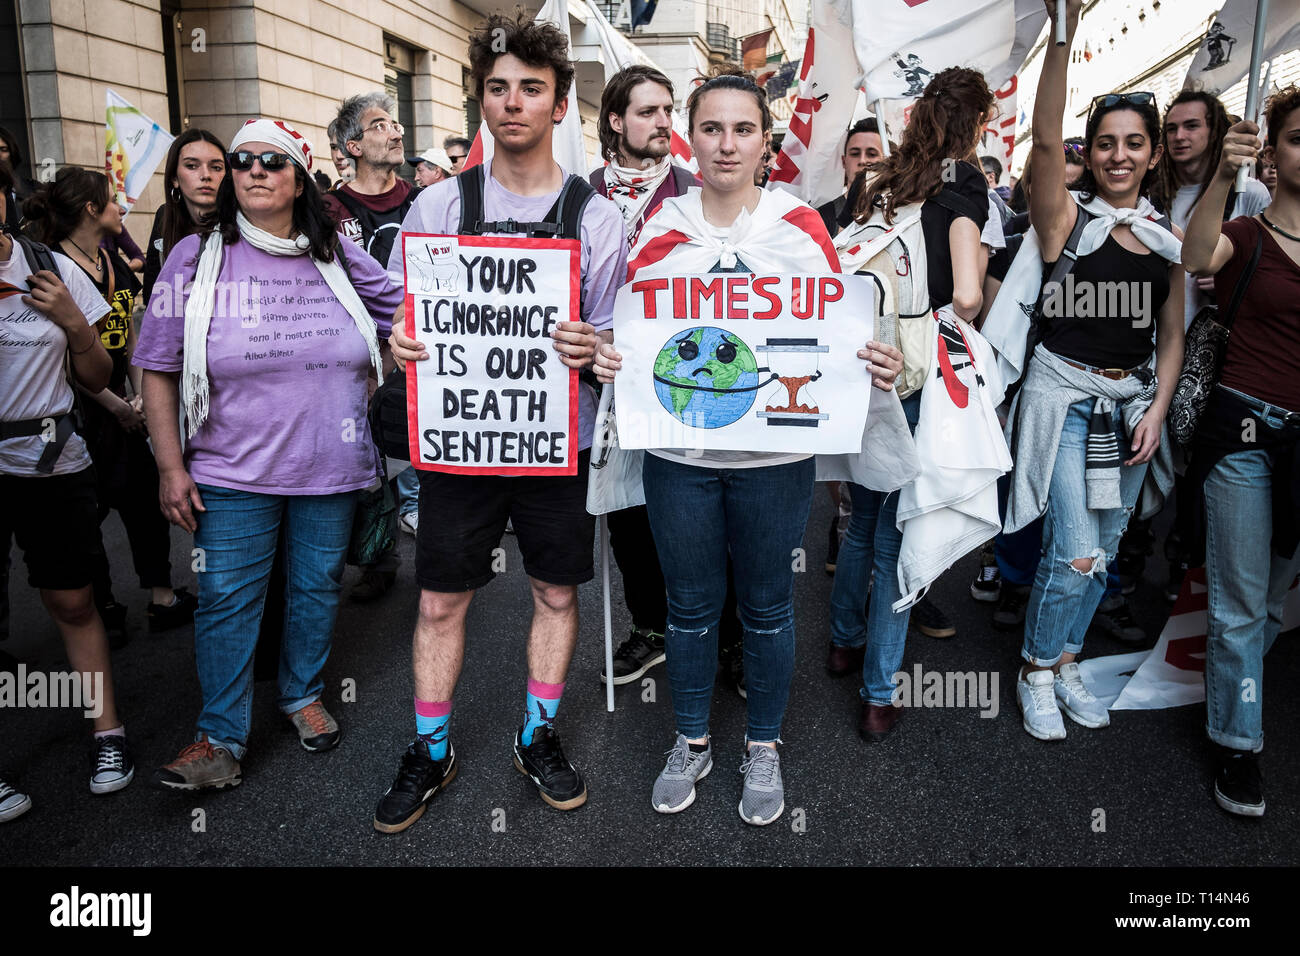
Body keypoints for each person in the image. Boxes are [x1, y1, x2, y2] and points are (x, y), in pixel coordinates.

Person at [596, 67, 904, 824]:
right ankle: (692, 739)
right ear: (689, 137)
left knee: (767, 611)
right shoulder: (660, 229)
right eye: (711, 127)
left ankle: (762, 746)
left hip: (774, 463)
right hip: (680, 459)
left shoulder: (801, 227)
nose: (726, 144)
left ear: (765, 142)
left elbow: (840, 334)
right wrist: (608, 356)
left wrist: (881, 358)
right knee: (691, 610)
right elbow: (630, 335)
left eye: (742, 129)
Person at [375, 14, 626, 833]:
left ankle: (537, 731)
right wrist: (401, 344)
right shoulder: (438, 205)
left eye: (531, 89)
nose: (512, 102)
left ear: (560, 106)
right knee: (442, 600)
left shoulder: (597, 218)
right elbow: (402, 327)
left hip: (557, 440)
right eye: (497, 89)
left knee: (555, 590)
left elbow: (613, 338)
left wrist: (596, 346)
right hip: (460, 439)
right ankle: (430, 746)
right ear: (479, 99)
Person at [134, 118, 401, 790]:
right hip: (230, 471)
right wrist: (170, 466)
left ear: (299, 178)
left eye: (271, 161)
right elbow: (157, 367)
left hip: (330, 465)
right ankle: (219, 736)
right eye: (240, 160)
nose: (252, 170)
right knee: (227, 597)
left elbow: (409, 308)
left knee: (314, 588)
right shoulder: (193, 258)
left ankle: (301, 695)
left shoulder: (335, 249)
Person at [1005, 0, 1184, 741]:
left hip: (1131, 408)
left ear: (1151, 155)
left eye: (1133, 143)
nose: (1117, 155)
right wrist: (1066, 32)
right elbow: (1047, 141)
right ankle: (1037, 668)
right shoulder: (1065, 220)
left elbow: (1171, 335)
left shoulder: (1165, 238)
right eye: (1105, 143)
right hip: (1065, 399)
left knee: (1106, 553)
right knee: (1075, 551)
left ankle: (1073, 656)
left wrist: (1156, 407)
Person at [825, 67, 993, 744]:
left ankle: (841, 642)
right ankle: (877, 690)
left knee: (863, 520)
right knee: (895, 534)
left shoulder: (881, 179)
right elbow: (972, 295)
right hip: (917, 373)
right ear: (976, 124)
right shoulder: (965, 184)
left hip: (863, 365)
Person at [589, 63, 734, 689]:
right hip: (607, 374)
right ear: (616, 120)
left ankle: (724, 638)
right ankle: (650, 627)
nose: (663, 123)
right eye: (648, 112)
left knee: (701, 509)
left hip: (684, 371)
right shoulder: (582, 193)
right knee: (626, 507)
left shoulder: (691, 191)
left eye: (669, 111)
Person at [1181, 86, 1300, 817]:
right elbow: (1196, 252)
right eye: (1297, 137)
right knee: (1240, 602)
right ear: (1275, 153)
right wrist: (1223, 173)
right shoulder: (1248, 235)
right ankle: (1238, 742)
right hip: (1245, 435)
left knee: (1271, 603)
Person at [2, 188, 135, 803]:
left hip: (51, 464)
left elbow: (98, 375)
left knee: (73, 600)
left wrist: (75, 321)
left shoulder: (46, 267)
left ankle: (107, 731)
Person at [23, 168, 195, 641]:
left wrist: (139, 392)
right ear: (91, 210)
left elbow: (129, 332)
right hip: (77, 409)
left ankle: (161, 594)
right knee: (86, 514)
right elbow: (55, 351)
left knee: (144, 498)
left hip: (123, 401)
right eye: (113, 200)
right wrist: (113, 403)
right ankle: (102, 606)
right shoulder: (52, 266)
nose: (122, 207)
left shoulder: (110, 257)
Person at [323, 92, 420, 599]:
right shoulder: (327, 210)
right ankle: (375, 558)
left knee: (421, 451)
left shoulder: (428, 200)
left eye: (397, 123)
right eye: (381, 125)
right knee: (362, 454)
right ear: (353, 145)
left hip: (419, 349)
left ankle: (444, 556)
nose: (397, 132)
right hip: (353, 355)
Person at [142, 129, 228, 309]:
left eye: (216, 167)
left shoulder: (241, 224)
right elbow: (153, 299)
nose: (206, 175)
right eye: (192, 166)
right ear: (174, 178)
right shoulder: (164, 218)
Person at [817, 118, 884, 236]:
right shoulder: (823, 217)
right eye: (855, 154)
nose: (863, 161)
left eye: (872, 154)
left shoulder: (897, 210)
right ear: (844, 161)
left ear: (886, 160)